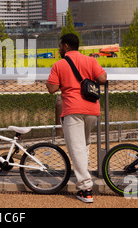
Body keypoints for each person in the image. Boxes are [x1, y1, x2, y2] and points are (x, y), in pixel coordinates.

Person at [46, 34, 107, 203]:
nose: (58, 48)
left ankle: (86, 189)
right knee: (85, 144)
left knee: (77, 148)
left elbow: (52, 88)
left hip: (72, 110)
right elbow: (102, 78)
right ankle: (84, 177)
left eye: (59, 45)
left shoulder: (59, 64)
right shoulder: (91, 61)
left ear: (65, 46)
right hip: (92, 109)